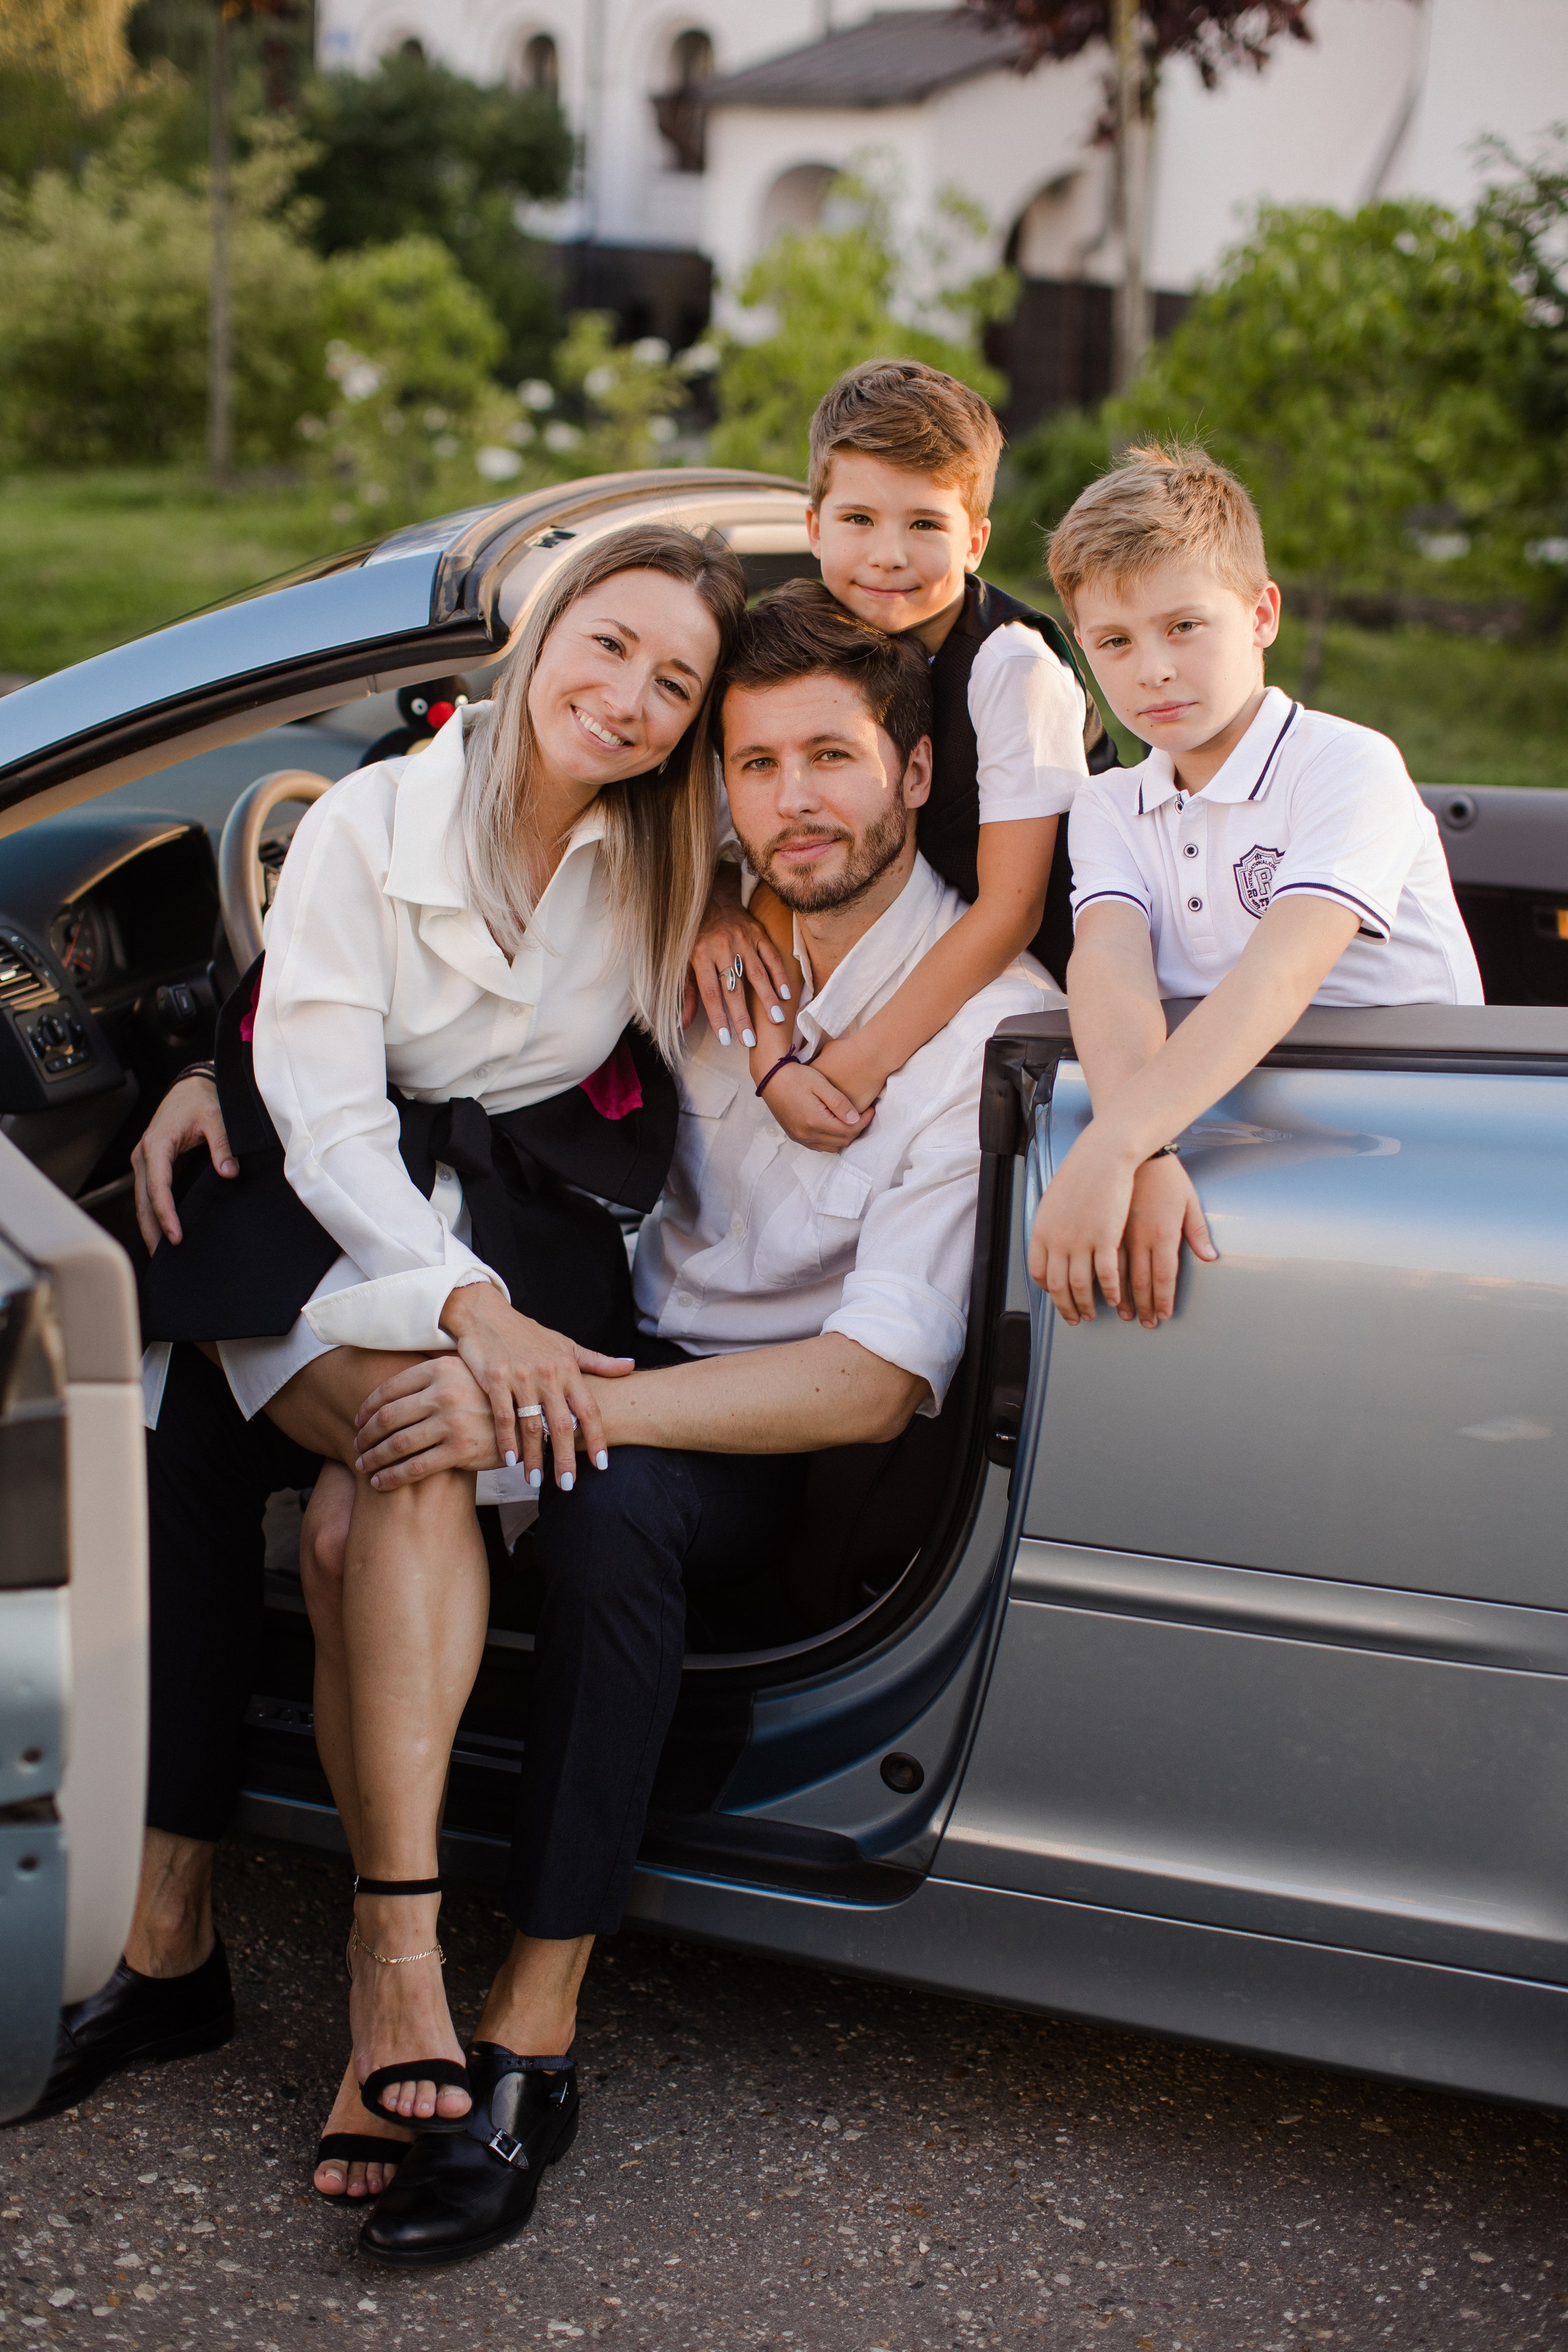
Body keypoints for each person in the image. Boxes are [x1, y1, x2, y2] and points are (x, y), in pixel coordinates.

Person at [110, 586, 1054, 2264]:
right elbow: (433, 1015)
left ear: (918, 775)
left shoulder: (981, 1026)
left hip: (766, 1422)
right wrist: (215, 1075)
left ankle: (529, 2039)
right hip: (595, 1330)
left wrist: (554, 1398)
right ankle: (238, 1944)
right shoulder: (682, 907)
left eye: (833, 759)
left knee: (597, 1508)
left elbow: (868, 1382)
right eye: (755, 764)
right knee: (267, 1458)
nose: (793, 803)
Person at [21, 524, 747, 2206]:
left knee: (374, 1502)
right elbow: (336, 1118)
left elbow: (826, 853)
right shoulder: (371, 816)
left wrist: (738, 926)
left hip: (508, 1231)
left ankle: (337, 1963)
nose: (629, 699)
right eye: (610, 645)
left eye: (675, 684)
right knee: (418, 1422)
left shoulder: (671, 861)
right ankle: (396, 1973)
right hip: (329, 1230)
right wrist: (453, 1297)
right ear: (547, 627)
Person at [1028, 440, 1482, 1332]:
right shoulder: (1111, 805)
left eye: (1183, 626)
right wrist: (1145, 1146)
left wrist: (1114, 1146)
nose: (1152, 669)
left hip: (1418, 1135)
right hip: (1218, 1128)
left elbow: (1279, 972)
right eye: (1115, 642)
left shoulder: (1348, 765)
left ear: (1262, 612)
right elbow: (1109, 968)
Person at [690, 358, 1103, 1153]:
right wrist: (772, 1061)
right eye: (858, 521)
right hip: (930, 957)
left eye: (925, 525)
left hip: (1067, 987)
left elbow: (1013, 909)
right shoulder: (826, 643)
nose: (888, 556)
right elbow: (784, 853)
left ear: (975, 541)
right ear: (813, 528)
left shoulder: (1013, 669)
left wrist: (858, 1064)